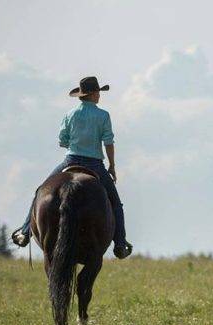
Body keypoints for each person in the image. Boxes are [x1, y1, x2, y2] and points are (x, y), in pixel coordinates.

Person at [10, 76, 133, 259]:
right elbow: (108, 142)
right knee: (116, 203)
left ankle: (25, 232)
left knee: (39, 192)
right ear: (92, 94)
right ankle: (121, 244)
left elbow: (62, 140)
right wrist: (112, 165)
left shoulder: (70, 114)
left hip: (70, 160)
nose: (99, 95)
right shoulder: (103, 115)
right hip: (95, 164)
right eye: (98, 92)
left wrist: (76, 143)